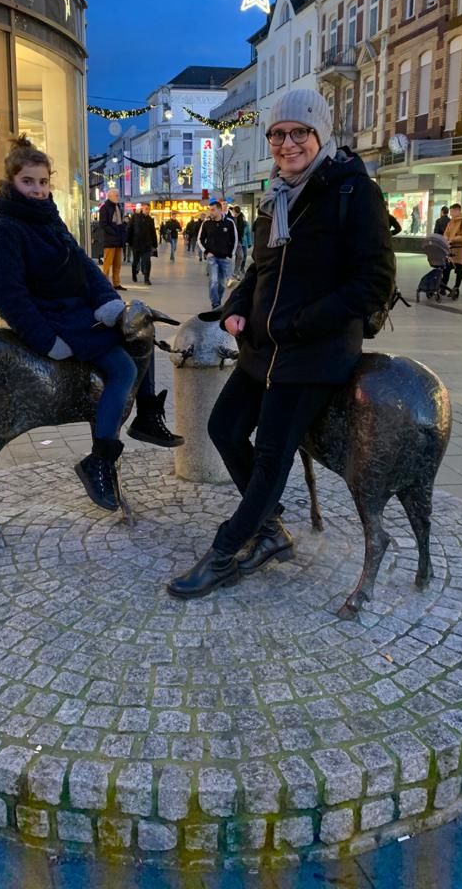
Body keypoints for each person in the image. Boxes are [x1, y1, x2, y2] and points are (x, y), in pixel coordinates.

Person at [167, 90, 395, 599]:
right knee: (223, 427)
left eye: (299, 132)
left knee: (272, 454)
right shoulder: (276, 199)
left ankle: (228, 550)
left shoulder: (353, 193)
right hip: (262, 348)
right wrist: (234, 308)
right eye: (277, 134)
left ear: (320, 135)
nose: (287, 144)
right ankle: (269, 528)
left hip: (314, 354)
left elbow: (373, 283)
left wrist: (298, 323)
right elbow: (259, 271)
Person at [0, 137, 183, 514]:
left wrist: (110, 303)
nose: (38, 190)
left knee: (141, 327)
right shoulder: (6, 228)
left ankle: (148, 417)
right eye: (28, 182)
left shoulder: (49, 219)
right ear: (12, 183)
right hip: (56, 319)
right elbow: (7, 295)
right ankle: (99, 461)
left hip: (80, 311)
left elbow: (84, 266)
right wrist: (47, 339)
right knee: (122, 369)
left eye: (43, 182)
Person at [198, 200, 238, 309]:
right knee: (214, 281)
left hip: (225, 258)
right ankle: (215, 304)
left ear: (220, 210)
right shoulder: (206, 223)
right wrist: (206, 252)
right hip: (212, 258)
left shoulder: (229, 223)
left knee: (222, 284)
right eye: (210, 210)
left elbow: (234, 239)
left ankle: (218, 301)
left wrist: (231, 254)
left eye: (213, 210)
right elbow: (200, 239)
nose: (211, 212)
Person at [440, 203, 462, 299]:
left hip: (460, 249)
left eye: (452, 211)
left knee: (459, 269)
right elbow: (446, 233)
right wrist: (445, 239)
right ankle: (443, 287)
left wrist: (452, 239)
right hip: (450, 248)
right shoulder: (451, 222)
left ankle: (456, 288)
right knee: (446, 268)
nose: (451, 213)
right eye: (451, 211)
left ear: (458, 211)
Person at [98, 188, 127, 290]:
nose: (118, 197)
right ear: (110, 196)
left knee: (117, 264)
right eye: (116, 195)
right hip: (110, 240)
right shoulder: (105, 208)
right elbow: (103, 224)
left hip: (118, 240)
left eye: (118, 195)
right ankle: (104, 283)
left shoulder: (117, 207)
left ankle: (116, 283)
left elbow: (121, 223)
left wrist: (122, 234)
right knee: (107, 263)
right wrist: (114, 232)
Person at [129, 204, 158, 285]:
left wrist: (155, 245)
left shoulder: (150, 220)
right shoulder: (135, 217)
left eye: (149, 209)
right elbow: (129, 229)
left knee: (147, 261)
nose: (147, 210)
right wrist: (128, 241)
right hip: (136, 244)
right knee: (135, 261)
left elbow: (153, 233)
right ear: (142, 209)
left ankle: (147, 278)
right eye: (146, 209)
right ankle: (134, 274)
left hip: (147, 245)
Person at [231, 206, 248, 279]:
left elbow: (245, 230)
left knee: (240, 256)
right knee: (227, 257)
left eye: (237, 213)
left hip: (238, 241)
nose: (236, 214)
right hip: (229, 241)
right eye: (235, 212)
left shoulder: (242, 218)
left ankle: (236, 272)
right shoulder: (229, 217)